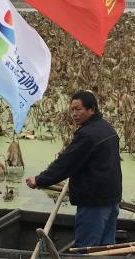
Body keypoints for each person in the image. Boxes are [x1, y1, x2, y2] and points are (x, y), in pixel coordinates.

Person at [26, 90, 121, 248]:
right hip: (111, 199)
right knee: (106, 248)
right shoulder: (107, 128)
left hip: (94, 202)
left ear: (92, 109)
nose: (74, 114)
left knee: (87, 248)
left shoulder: (87, 135)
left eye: (79, 109)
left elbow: (65, 164)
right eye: (72, 109)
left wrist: (39, 180)